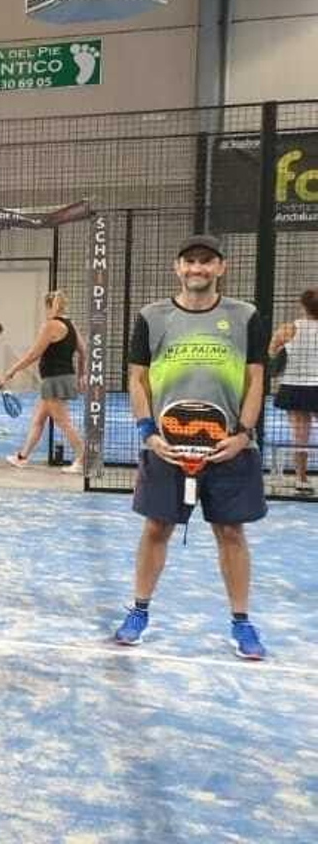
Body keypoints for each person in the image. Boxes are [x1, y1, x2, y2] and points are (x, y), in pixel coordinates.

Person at [113, 235, 269, 660]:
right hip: (166, 447)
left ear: (222, 268)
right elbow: (138, 379)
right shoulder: (151, 316)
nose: (197, 268)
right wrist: (148, 431)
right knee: (155, 529)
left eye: (207, 262)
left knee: (231, 533)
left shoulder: (246, 316)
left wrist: (243, 434)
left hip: (228, 447)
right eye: (190, 262)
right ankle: (139, 612)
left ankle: (241, 623)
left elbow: (256, 378)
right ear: (177, 267)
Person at [2, 291, 87, 473]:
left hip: (54, 379)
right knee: (39, 419)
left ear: (48, 306)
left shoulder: (50, 326)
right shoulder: (70, 325)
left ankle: (83, 458)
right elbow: (83, 350)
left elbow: (34, 354)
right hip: (64, 377)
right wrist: (81, 374)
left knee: (63, 421)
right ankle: (22, 457)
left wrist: (12, 370)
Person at [270, 287, 318, 496]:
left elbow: (271, 354)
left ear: (302, 305)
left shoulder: (288, 329)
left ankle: (301, 479)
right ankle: (301, 478)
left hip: (294, 385)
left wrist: (282, 353)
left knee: (300, 436)